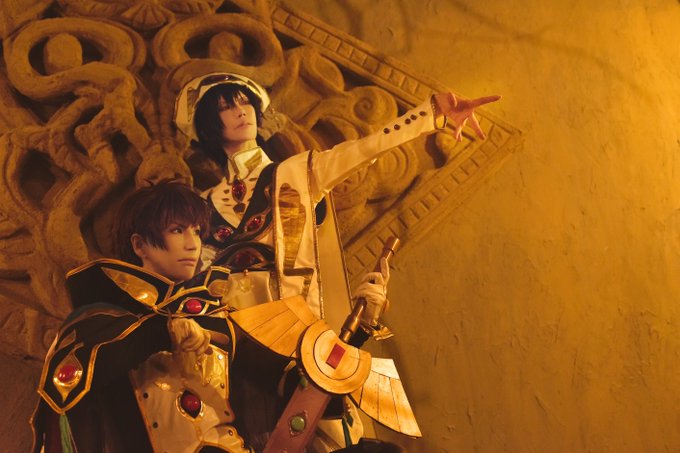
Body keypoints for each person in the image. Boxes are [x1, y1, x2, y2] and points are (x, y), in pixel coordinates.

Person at [173, 72, 499, 451]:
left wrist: (429, 115)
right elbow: (196, 275)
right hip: (237, 346)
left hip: (297, 334)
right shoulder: (205, 204)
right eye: (226, 107)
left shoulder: (295, 173)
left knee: (328, 434)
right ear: (208, 125)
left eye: (244, 102)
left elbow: (364, 150)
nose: (241, 112)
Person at [30, 181, 264, 452]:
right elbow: (78, 377)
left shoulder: (216, 312)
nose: (193, 244)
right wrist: (162, 332)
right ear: (140, 245)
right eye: (177, 230)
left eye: (197, 232)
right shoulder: (100, 318)